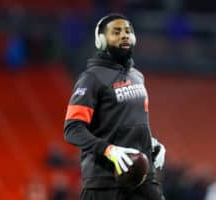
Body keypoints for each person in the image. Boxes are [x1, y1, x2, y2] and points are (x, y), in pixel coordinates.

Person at [64, 13, 166, 200]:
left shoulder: (137, 76)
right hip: (104, 184)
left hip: (143, 178)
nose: (124, 35)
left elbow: (131, 122)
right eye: (116, 32)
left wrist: (151, 143)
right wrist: (109, 150)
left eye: (128, 31)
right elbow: (72, 129)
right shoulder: (91, 78)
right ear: (101, 40)